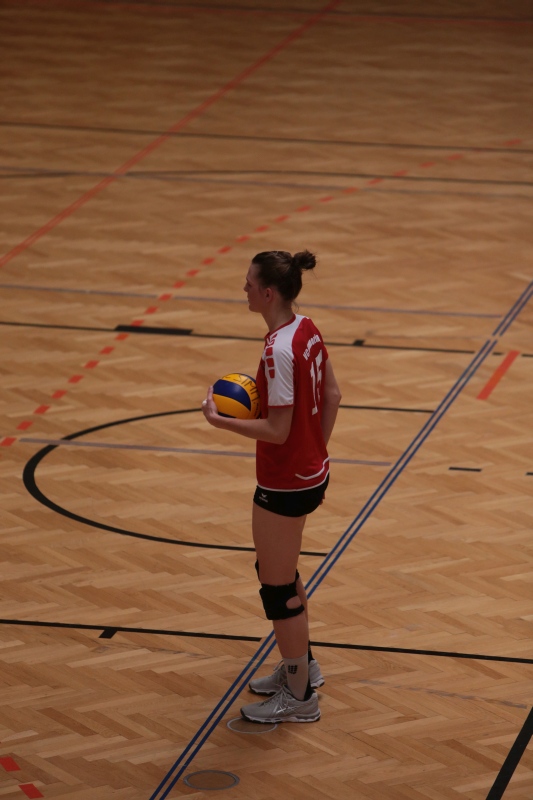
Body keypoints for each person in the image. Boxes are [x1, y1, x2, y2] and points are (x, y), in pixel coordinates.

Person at [202, 249, 342, 723]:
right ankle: (302, 667)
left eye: (248, 283)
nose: (243, 289)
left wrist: (222, 423)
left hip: (284, 482)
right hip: (308, 473)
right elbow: (333, 395)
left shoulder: (278, 350)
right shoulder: (306, 329)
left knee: (277, 587)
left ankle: (300, 698)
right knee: (280, 571)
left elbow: (278, 430)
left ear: (267, 292)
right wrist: (315, 450)